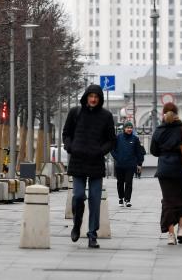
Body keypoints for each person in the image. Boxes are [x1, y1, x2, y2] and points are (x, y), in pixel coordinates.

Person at [63, 84, 116, 248]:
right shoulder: (75, 112)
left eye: (96, 97)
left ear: (100, 99)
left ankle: (92, 234)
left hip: (96, 162)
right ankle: (77, 224)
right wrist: (70, 147)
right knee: (78, 195)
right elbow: (66, 134)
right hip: (78, 161)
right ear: (86, 97)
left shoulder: (106, 116)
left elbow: (111, 140)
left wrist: (100, 151)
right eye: (91, 96)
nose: (93, 99)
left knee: (95, 199)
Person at [150, 102, 182, 245]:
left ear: (163, 114)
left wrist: (165, 152)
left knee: (168, 201)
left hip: (164, 170)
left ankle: (171, 235)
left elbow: (154, 151)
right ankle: (181, 230)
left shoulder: (159, 130)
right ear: (177, 113)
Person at [111, 121, 145, 207]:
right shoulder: (118, 137)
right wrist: (117, 158)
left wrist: (139, 163)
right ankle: (121, 198)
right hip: (120, 165)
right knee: (120, 182)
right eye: (127, 128)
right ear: (124, 129)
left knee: (129, 182)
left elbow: (139, 152)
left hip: (131, 165)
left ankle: (127, 200)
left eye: (130, 128)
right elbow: (112, 149)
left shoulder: (135, 139)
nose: (129, 129)